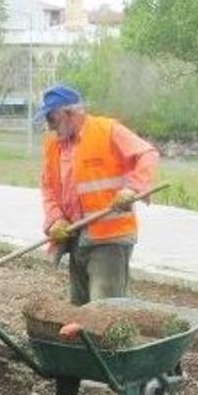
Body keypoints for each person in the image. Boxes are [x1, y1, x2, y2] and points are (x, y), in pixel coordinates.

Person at [36, 83, 159, 306]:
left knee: (104, 310)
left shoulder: (107, 130)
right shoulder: (54, 145)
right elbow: (48, 188)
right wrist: (56, 219)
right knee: (79, 309)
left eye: (52, 119)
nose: (50, 126)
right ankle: (82, 342)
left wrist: (132, 188)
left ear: (70, 113)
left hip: (109, 239)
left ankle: (108, 342)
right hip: (76, 237)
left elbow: (147, 154)